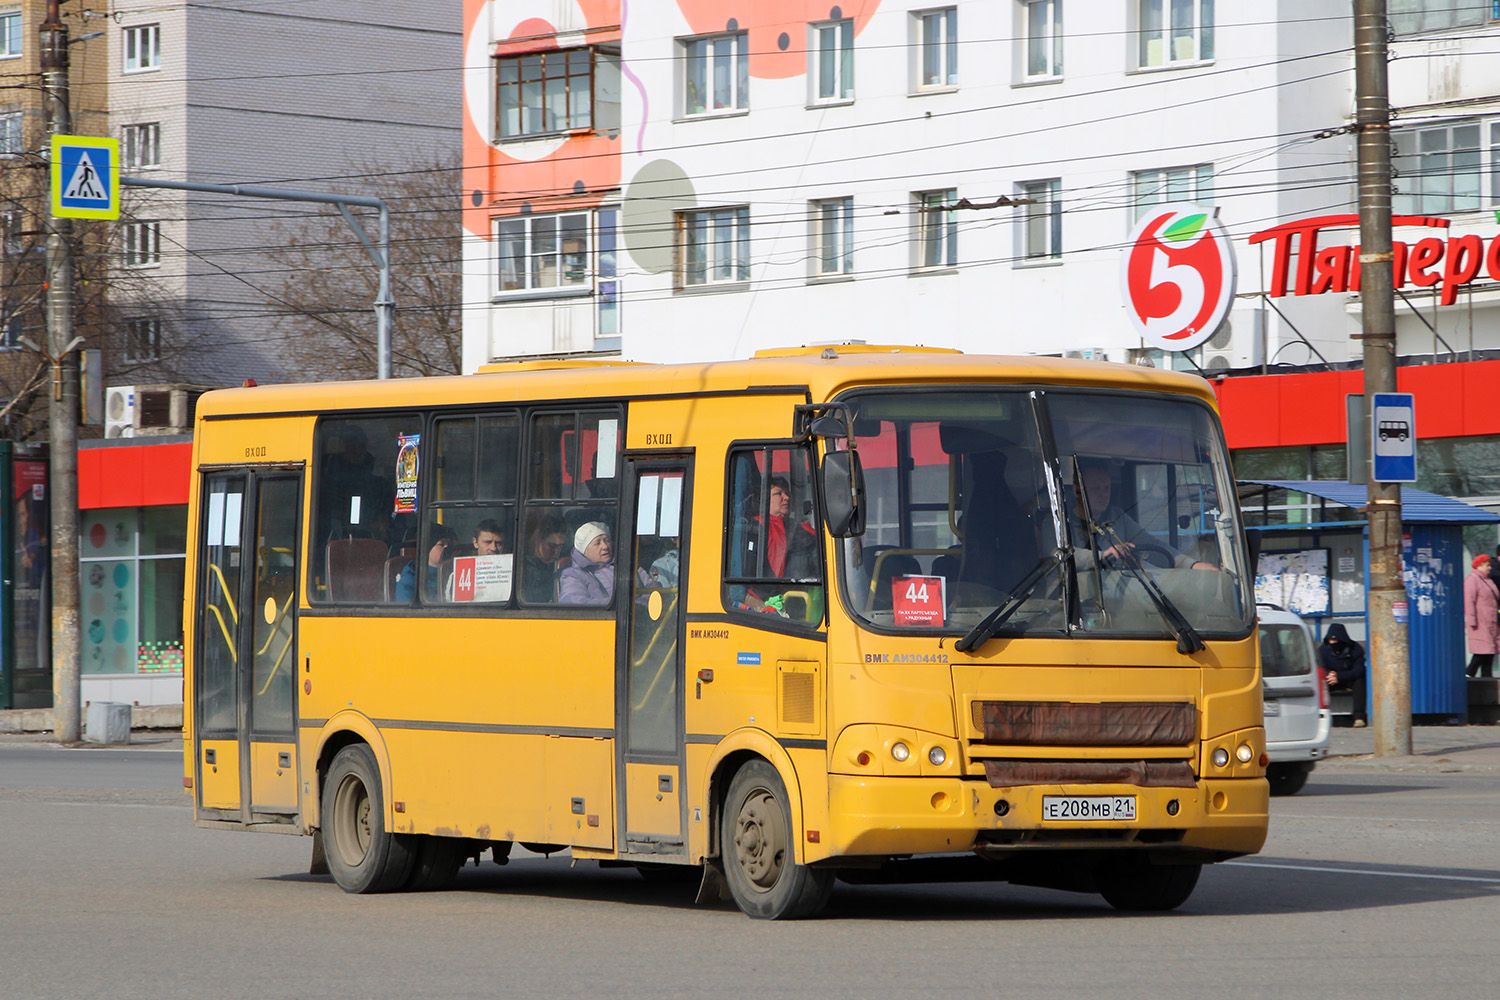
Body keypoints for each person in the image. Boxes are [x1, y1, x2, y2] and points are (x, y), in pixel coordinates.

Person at [1075, 460, 1215, 571]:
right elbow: (1058, 555)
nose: (1103, 494)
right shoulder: (1059, 521)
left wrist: (1192, 565)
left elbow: (1151, 544)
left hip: (1115, 597)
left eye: (1107, 488)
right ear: (1078, 492)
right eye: (1096, 489)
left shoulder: (1116, 517)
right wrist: (1102, 556)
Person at [1320, 623, 1368, 727]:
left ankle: (1359, 717)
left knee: (1359, 681)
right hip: (1331, 679)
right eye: (1330, 640)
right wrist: (1330, 675)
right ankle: (1321, 717)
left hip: (1348, 678)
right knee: (1320, 684)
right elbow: (1321, 667)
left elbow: (1358, 670)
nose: (1332, 643)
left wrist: (1339, 676)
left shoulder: (1355, 649)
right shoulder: (1323, 650)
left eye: (1335, 641)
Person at [558, 521, 614, 606]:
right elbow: (572, 604)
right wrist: (616, 604)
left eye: (607, 540)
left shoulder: (628, 566)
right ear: (584, 551)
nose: (605, 546)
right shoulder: (573, 575)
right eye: (597, 543)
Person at [520, 512, 569, 603]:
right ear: (539, 540)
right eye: (552, 546)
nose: (557, 551)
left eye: (561, 546)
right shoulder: (525, 568)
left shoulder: (565, 564)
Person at [1464, 554, 1498, 678]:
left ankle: (1487, 683)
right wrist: (1472, 620)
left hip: (1490, 622)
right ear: (1480, 565)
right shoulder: (1473, 580)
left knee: (1488, 654)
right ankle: (1468, 675)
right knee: (1482, 653)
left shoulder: (1487, 580)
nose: (1490, 567)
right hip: (1480, 622)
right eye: (1487, 565)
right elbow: (1469, 601)